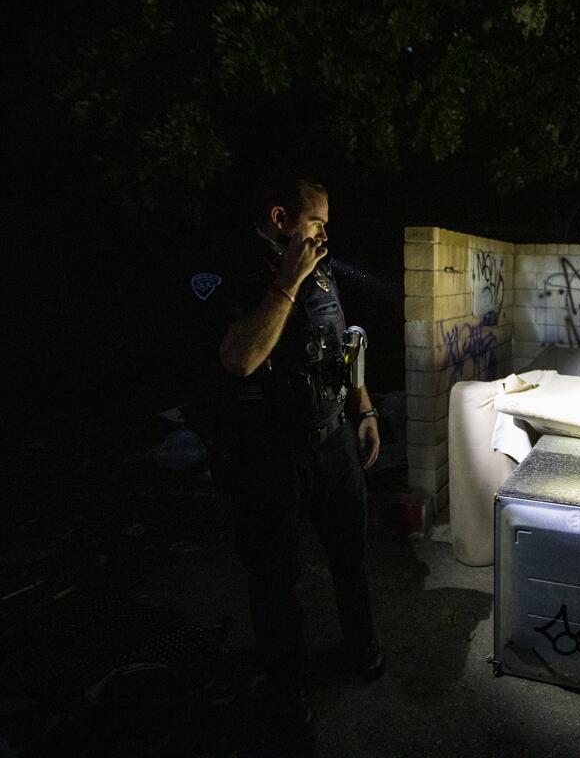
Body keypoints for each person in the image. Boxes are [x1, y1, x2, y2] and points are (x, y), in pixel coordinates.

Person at [186, 173, 384, 740]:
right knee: (275, 579)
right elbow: (239, 360)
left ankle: (359, 644)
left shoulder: (320, 267)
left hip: (333, 441)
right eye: (317, 220)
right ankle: (287, 684)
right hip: (267, 454)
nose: (325, 232)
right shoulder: (224, 274)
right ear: (280, 218)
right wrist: (285, 284)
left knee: (350, 555)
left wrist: (364, 411)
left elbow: (345, 341)